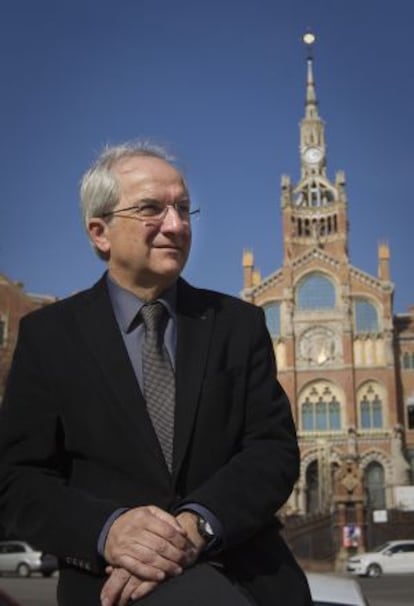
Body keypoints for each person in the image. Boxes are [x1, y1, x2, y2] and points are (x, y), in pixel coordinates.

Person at [0, 143, 312, 606]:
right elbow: (17, 479)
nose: (177, 225)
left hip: (246, 577)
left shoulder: (237, 324)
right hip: (115, 585)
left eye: (183, 209)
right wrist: (109, 532)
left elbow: (273, 450)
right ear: (99, 232)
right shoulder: (49, 336)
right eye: (152, 208)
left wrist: (197, 525)